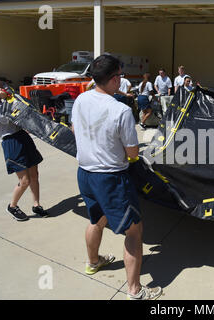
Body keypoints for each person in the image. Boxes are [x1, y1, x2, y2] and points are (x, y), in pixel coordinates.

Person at [71, 54, 162, 300]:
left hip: (85, 173)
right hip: (111, 177)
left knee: (96, 220)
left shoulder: (80, 99)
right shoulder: (121, 110)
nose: (121, 80)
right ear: (113, 80)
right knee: (134, 231)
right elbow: (132, 152)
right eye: (120, 76)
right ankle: (134, 290)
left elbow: (73, 129)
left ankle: (93, 262)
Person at [0, 78, 48, 221]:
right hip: (12, 142)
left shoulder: (5, 102)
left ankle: (36, 204)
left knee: (34, 174)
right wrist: (7, 100)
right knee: (25, 180)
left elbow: (24, 113)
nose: (4, 88)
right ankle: (12, 206)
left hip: (23, 138)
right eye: (0, 87)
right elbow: (11, 117)